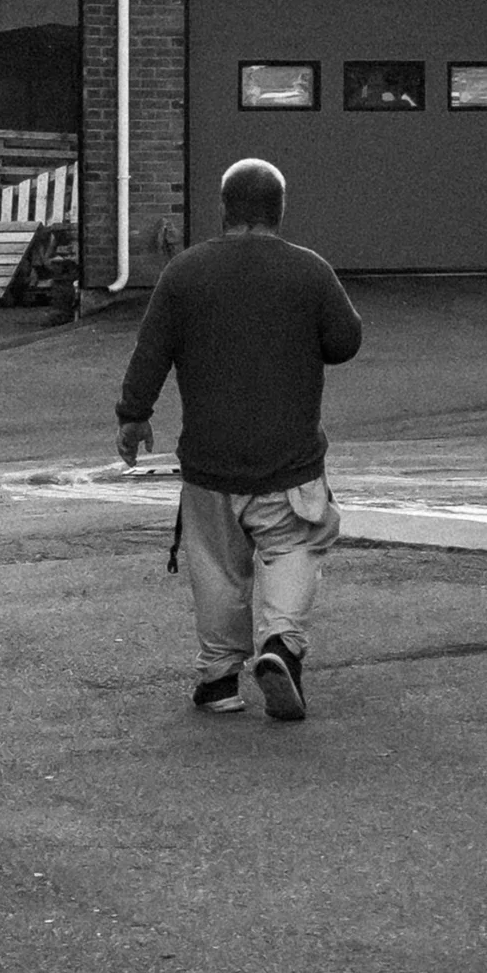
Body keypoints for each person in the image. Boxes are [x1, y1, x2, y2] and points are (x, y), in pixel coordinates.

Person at [115, 155, 362, 720]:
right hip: (289, 459)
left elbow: (150, 351)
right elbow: (345, 341)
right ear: (280, 209)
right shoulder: (309, 270)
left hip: (209, 462)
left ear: (223, 209)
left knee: (216, 567)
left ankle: (219, 679)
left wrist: (134, 415)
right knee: (295, 544)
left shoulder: (185, 272)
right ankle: (280, 646)